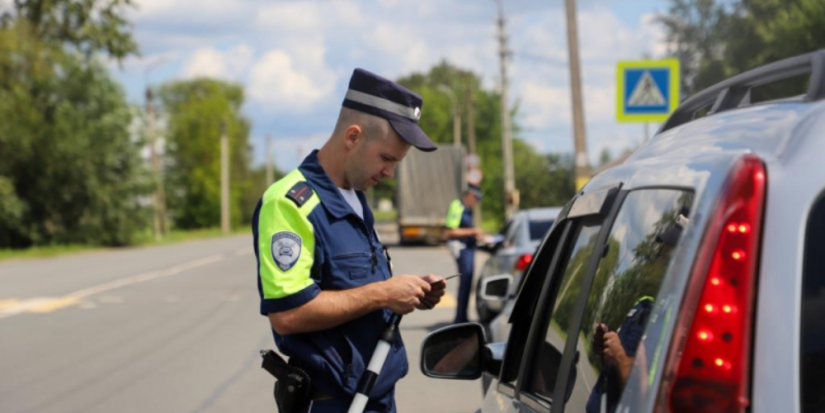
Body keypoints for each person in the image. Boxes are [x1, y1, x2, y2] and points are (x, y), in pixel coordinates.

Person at [252, 68, 448, 413]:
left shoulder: (355, 198)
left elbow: (354, 290)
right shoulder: (289, 203)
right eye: (386, 158)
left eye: (397, 163)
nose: (390, 173)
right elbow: (288, 315)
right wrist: (385, 293)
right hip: (334, 404)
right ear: (353, 136)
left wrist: (410, 292)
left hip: (375, 396)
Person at [444, 185, 484, 324]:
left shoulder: (468, 209)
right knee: (465, 282)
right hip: (462, 249)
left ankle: (463, 317)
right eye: (476, 198)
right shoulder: (457, 206)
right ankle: (460, 319)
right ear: (469, 195)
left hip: (469, 248)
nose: (477, 201)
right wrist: (473, 232)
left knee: (468, 284)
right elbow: (450, 231)